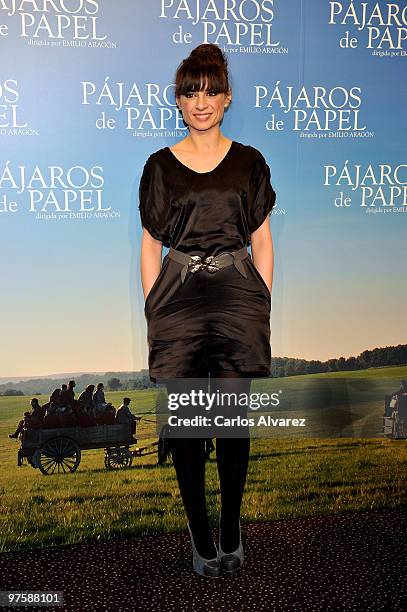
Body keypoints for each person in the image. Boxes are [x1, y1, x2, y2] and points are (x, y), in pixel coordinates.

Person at [138, 44, 276, 577]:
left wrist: (259, 296)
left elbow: (262, 238)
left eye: (211, 91)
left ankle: (232, 527)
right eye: (191, 91)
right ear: (178, 100)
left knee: (232, 425)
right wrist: (155, 303)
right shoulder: (159, 166)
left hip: (237, 291)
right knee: (191, 427)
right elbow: (150, 244)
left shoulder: (250, 161)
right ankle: (200, 537)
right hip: (179, 299)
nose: (202, 101)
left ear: (227, 98)